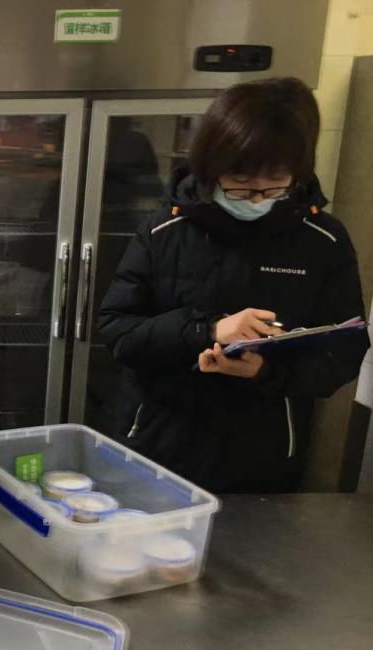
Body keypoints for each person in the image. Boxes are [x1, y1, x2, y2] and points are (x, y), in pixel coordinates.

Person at [97, 77, 369, 493]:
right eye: (241, 182)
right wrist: (207, 329)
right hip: (160, 444)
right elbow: (118, 332)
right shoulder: (164, 230)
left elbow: (344, 351)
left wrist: (266, 371)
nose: (257, 198)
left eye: (274, 183)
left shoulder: (323, 241)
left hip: (264, 457)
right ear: (211, 165)